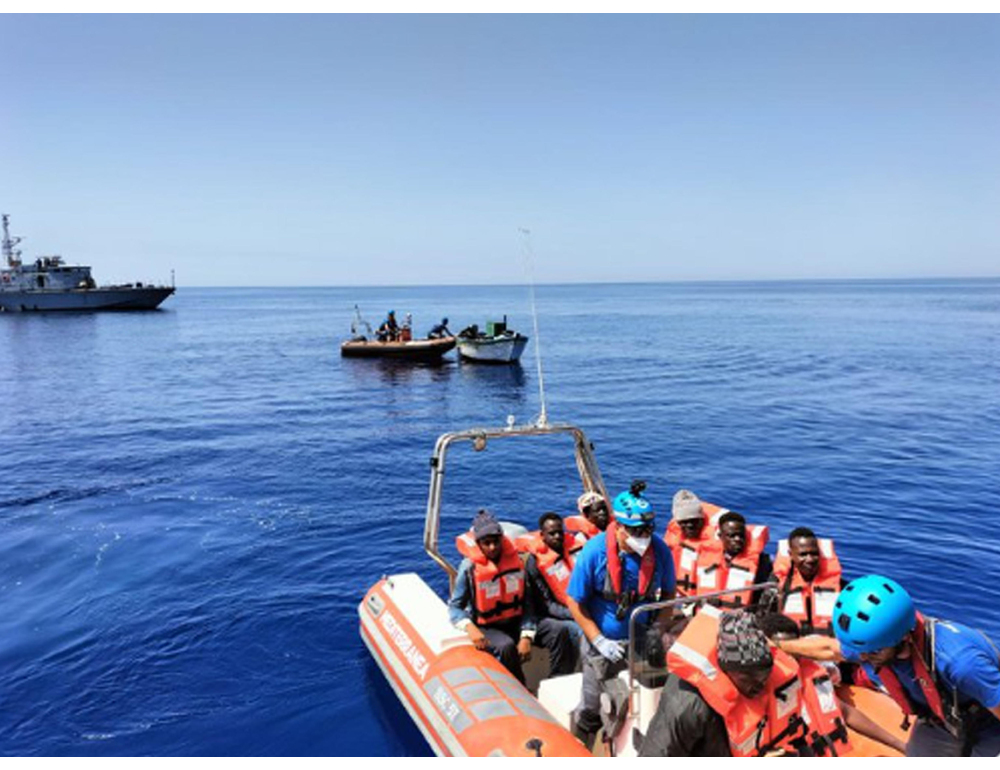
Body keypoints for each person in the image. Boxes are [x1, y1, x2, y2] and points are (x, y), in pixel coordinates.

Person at [773, 574, 1000, 757]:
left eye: (873, 652)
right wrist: (774, 646)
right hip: (939, 719)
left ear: (904, 638)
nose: (863, 658)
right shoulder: (874, 645)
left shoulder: (961, 663)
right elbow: (829, 649)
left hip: (989, 724)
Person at [565, 481, 676, 748]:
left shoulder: (660, 551)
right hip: (602, 645)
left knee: (642, 701)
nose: (644, 536)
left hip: (642, 641)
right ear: (620, 528)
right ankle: (580, 747)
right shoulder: (594, 553)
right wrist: (599, 640)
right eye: (637, 531)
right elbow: (574, 601)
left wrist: (657, 631)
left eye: (648, 529)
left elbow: (668, 594)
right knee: (593, 706)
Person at [640, 608, 808, 756]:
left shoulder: (769, 682)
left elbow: (796, 737)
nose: (760, 686)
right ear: (726, 670)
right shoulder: (687, 704)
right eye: (749, 679)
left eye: (764, 677)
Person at [447, 509, 573, 685]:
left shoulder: (518, 562)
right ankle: (520, 688)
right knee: (505, 646)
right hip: (487, 626)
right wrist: (470, 628)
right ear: (479, 544)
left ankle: (559, 680)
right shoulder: (468, 568)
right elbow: (455, 607)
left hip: (517, 620)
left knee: (559, 631)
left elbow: (527, 604)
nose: (492, 547)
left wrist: (526, 635)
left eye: (496, 542)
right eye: (487, 543)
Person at [758, 612, 908, 755]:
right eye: (784, 652)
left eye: (794, 650)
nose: (790, 658)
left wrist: (900, 745)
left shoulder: (812, 673)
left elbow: (845, 712)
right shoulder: (761, 692)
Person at [520, 512, 584, 671]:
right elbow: (546, 604)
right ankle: (567, 674)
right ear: (542, 535)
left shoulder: (574, 550)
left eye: (560, 532)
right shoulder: (534, 562)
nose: (557, 537)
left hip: (581, 607)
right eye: (552, 533)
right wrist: (577, 614)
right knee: (580, 631)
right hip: (552, 614)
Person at [767, 527, 845, 636]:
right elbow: (765, 618)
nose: (810, 559)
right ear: (791, 555)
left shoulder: (841, 585)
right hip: (792, 642)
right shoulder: (777, 584)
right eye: (803, 554)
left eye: (814, 553)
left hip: (828, 643)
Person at [693, 510, 771, 610]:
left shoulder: (761, 562)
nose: (737, 539)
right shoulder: (704, 555)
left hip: (740, 615)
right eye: (732, 536)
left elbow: (763, 598)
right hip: (705, 612)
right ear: (720, 536)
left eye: (741, 535)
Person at [663, 489, 716, 598]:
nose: (690, 525)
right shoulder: (673, 536)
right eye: (684, 522)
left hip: (706, 598)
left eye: (695, 520)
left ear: (702, 520)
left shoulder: (719, 538)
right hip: (678, 593)